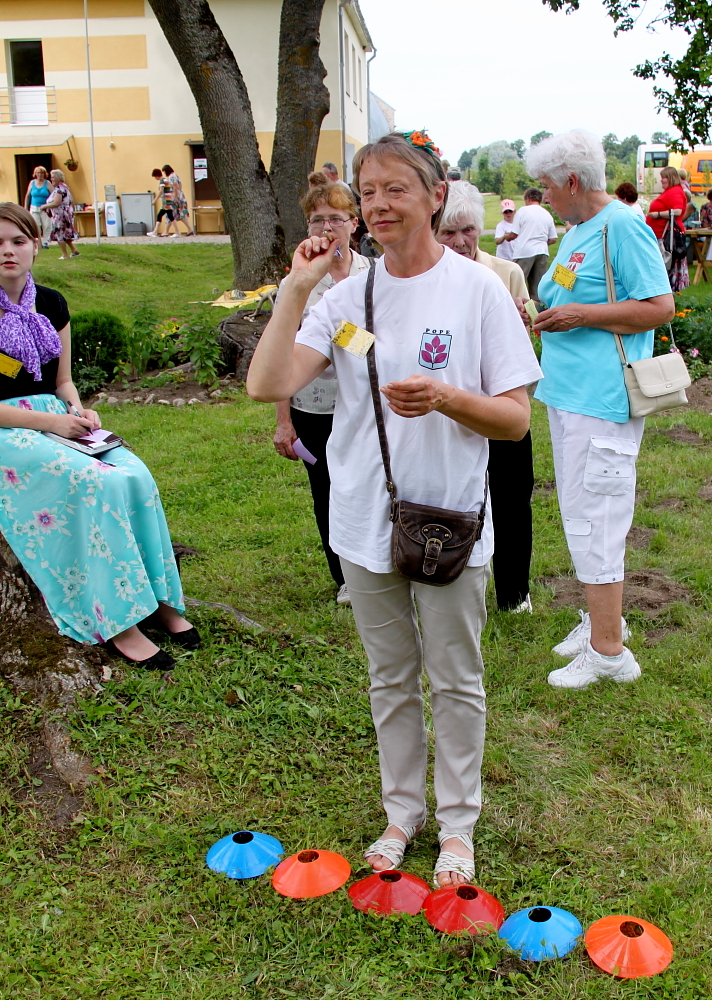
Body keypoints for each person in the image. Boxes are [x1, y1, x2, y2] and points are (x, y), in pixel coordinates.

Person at [246, 131, 542, 886]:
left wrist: (445, 397)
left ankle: (458, 826)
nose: (377, 204)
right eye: (367, 191)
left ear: (435, 196)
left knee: (456, 678)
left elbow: (515, 420)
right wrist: (295, 291)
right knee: (389, 678)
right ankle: (401, 813)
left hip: (449, 520)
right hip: (362, 519)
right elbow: (266, 383)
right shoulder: (347, 297)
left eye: (395, 189)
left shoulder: (478, 289)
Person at [0, 203, 196, 670]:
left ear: (35, 246)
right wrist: (54, 424)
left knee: (136, 476)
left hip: (55, 416)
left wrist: (77, 411)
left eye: (18, 241)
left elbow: (62, 382)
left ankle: (156, 598)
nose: (8, 251)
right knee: (96, 482)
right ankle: (117, 620)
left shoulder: (52, 303)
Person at [524, 129, 674, 689]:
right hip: (568, 393)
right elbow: (563, 296)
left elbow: (660, 306)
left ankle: (609, 653)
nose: (543, 195)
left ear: (571, 181)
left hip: (603, 398)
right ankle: (601, 621)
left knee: (598, 518)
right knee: (580, 512)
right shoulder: (579, 230)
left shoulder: (623, 226)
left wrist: (581, 316)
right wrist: (539, 311)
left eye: (546, 185)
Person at [270, 171, 371, 605]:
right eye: (316, 220)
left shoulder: (375, 272)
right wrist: (284, 421)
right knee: (328, 490)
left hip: (367, 403)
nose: (326, 228)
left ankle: (377, 566)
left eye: (335, 218)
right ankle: (344, 576)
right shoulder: (298, 282)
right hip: (315, 406)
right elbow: (280, 354)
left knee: (370, 485)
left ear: (354, 223)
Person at [435, 181, 534, 613]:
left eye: (469, 230)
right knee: (451, 499)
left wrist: (523, 324)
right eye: (449, 232)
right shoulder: (426, 278)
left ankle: (514, 593)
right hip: (449, 410)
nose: (461, 241)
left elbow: (523, 347)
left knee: (512, 498)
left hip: (500, 405)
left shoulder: (506, 272)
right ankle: (447, 580)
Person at [647, 166, 691, 288]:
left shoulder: (675, 191)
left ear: (671, 178)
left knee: (667, 262)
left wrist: (658, 214)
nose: (661, 180)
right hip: (660, 233)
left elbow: (677, 211)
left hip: (666, 235)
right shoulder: (671, 191)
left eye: (664, 178)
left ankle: (668, 287)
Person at [512, 186, 558, 300]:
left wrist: (504, 237)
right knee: (537, 287)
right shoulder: (547, 214)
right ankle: (535, 308)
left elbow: (514, 234)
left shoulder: (523, 211)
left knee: (517, 284)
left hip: (524, 252)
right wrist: (541, 242)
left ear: (528, 198)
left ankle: (517, 306)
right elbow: (553, 238)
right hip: (542, 251)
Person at [44, 168, 79, 259]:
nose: (51, 179)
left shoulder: (59, 189)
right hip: (65, 214)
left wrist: (44, 206)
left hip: (60, 216)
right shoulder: (64, 187)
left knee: (59, 234)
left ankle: (65, 254)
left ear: (58, 177)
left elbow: (56, 202)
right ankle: (74, 250)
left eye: (53, 177)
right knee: (65, 234)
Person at [25, 166, 53, 248]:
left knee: (47, 225)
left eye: (41, 173)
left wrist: (50, 204)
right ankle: (38, 242)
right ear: (35, 174)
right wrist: (25, 207)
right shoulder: (32, 183)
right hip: (34, 208)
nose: (40, 175)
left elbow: (53, 194)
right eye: (38, 173)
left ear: (44, 174)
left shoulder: (47, 183)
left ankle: (45, 242)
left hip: (45, 208)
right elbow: (28, 196)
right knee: (36, 225)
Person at [149, 167, 176, 236]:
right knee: (160, 215)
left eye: (155, 177)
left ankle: (177, 232)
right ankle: (155, 232)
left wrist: (155, 200)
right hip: (168, 200)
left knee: (170, 217)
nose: (155, 178)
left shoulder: (162, 181)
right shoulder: (166, 180)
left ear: (157, 175)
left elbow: (161, 191)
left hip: (166, 201)